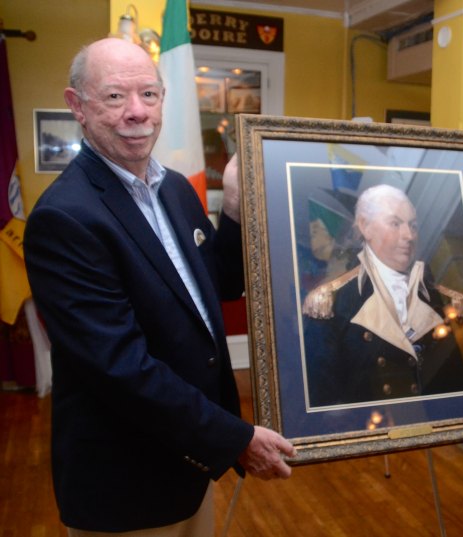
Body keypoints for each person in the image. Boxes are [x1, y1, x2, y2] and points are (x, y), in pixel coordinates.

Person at [23, 38, 295, 536]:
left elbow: (222, 287)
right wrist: (234, 438)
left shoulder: (171, 188)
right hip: (126, 486)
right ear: (76, 106)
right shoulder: (64, 219)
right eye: (114, 97)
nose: (136, 112)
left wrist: (231, 205)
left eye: (149, 94)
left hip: (187, 470)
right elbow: (120, 368)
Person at [302, 184, 463, 407]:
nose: (409, 235)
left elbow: (458, 385)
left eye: (413, 225)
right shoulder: (332, 303)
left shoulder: (436, 296)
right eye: (395, 223)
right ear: (365, 227)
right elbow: (326, 406)